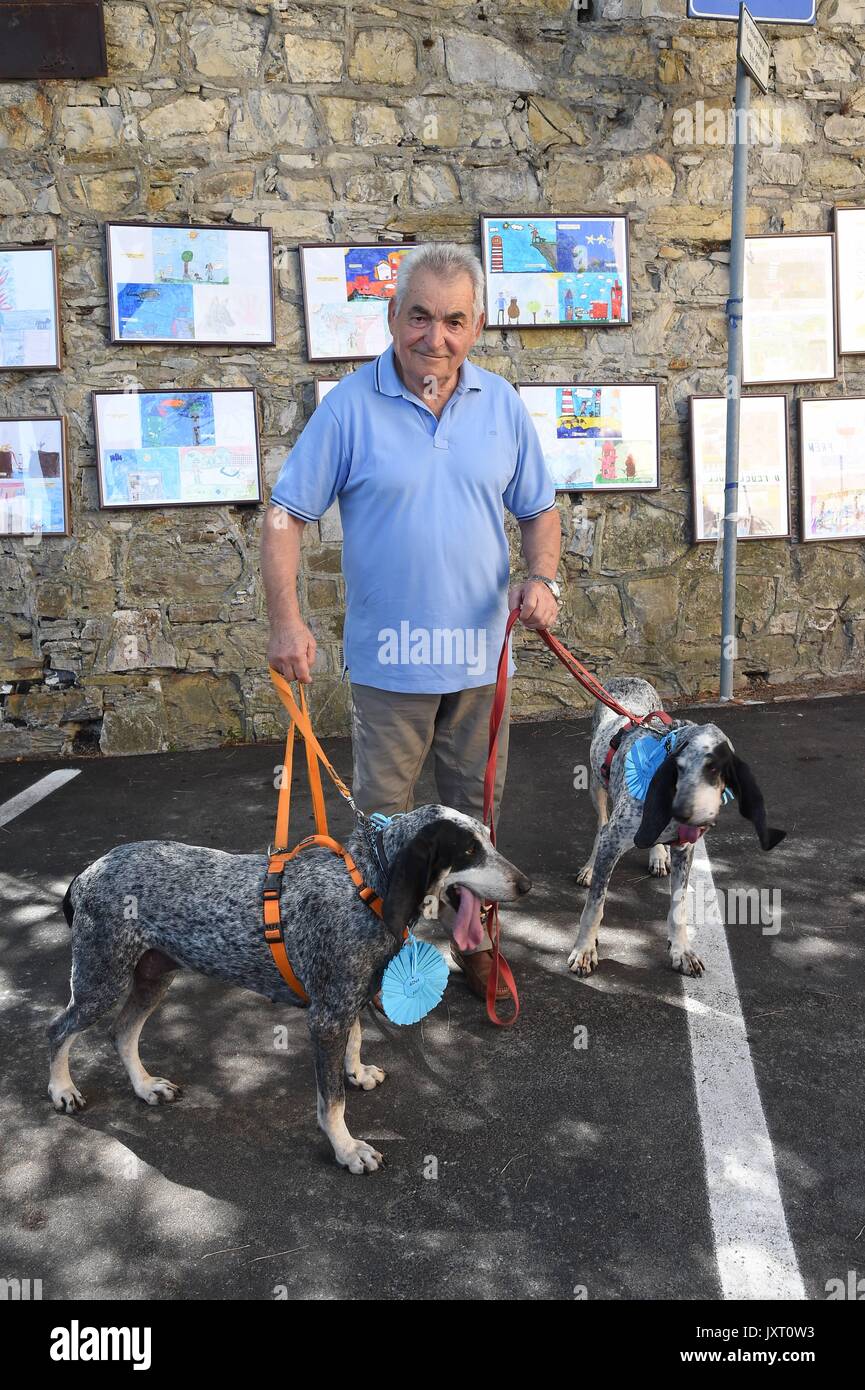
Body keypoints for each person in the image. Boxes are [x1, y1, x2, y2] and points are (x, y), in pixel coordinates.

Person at [261, 243, 561, 1004]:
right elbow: (285, 515)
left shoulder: (498, 405)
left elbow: (539, 510)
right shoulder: (349, 408)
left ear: (478, 325)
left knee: (477, 832)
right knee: (386, 837)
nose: (436, 336)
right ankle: (386, 956)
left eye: (454, 320)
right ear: (392, 317)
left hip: (480, 666)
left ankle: (476, 944)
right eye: (419, 316)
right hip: (389, 668)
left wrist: (542, 578)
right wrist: (287, 620)